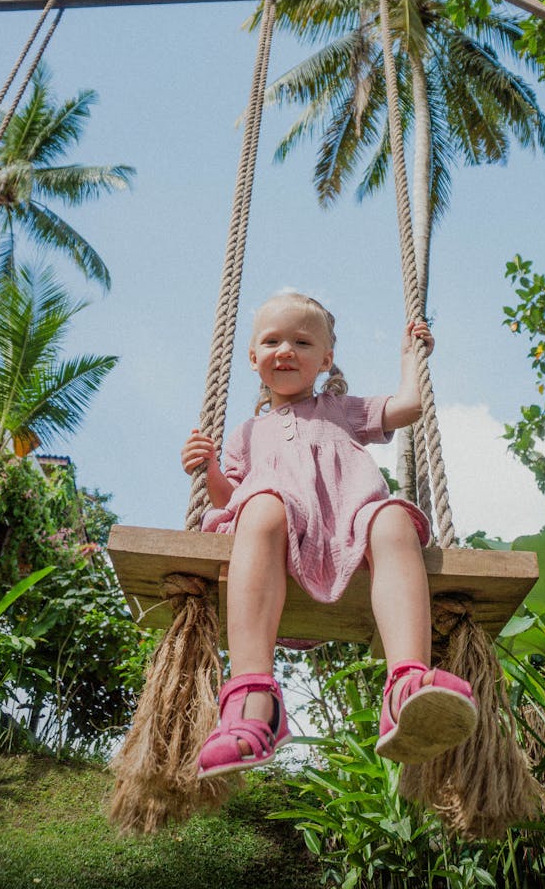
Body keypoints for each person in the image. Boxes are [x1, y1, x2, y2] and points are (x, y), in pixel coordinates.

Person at [181, 291, 477, 779]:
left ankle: (406, 685)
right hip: (279, 538)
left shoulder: (341, 409)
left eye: (302, 341)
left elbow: (409, 406)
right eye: (272, 341)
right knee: (261, 506)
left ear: (326, 359)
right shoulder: (246, 435)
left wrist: (411, 358)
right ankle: (252, 701)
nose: (286, 351)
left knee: (393, 518)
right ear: (253, 357)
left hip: (348, 533)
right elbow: (225, 500)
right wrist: (209, 467)